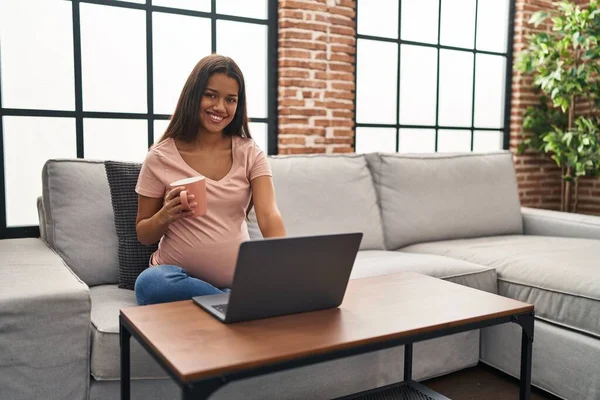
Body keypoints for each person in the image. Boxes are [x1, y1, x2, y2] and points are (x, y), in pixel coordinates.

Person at [134, 54, 286, 305]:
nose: (219, 107)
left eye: (230, 99)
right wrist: (165, 215)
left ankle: (224, 301)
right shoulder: (160, 157)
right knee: (151, 284)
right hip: (176, 276)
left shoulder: (250, 153)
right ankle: (232, 302)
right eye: (211, 95)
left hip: (238, 277)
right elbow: (143, 234)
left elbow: (269, 216)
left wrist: (285, 262)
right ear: (194, 95)